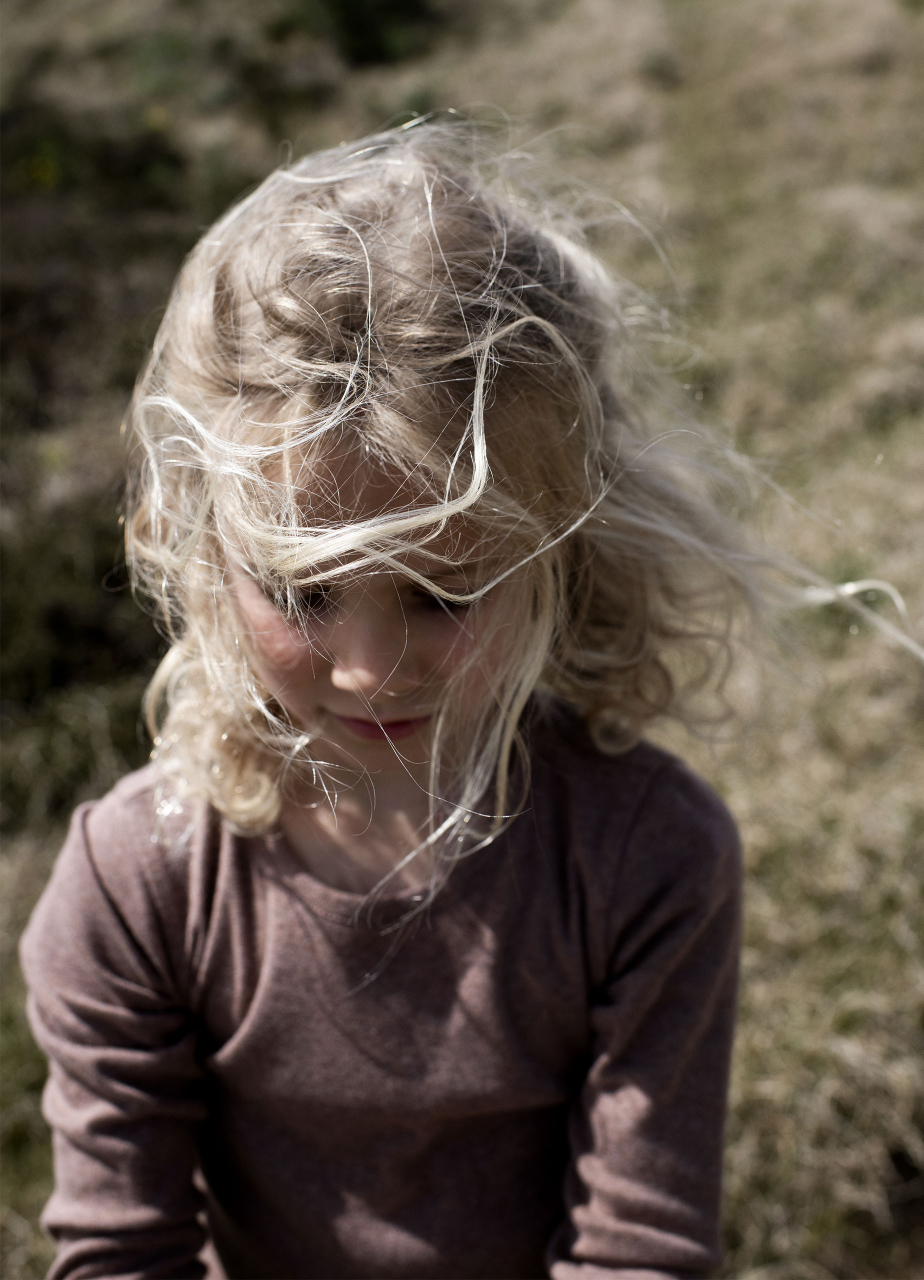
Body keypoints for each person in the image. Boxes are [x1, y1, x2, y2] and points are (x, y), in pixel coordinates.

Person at [21, 121, 761, 1280]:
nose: (368, 667)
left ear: (563, 542)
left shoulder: (645, 857)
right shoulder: (139, 883)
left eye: (443, 590)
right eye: (303, 591)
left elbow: (639, 1250)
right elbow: (122, 1252)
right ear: (197, 543)